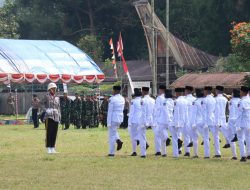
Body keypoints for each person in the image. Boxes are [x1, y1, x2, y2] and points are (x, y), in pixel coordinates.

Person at [107, 85, 125, 157]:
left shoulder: (112, 99)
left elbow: (110, 111)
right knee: (114, 131)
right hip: (120, 117)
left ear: (115, 90)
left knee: (111, 135)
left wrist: (108, 122)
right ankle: (118, 140)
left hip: (113, 117)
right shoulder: (122, 98)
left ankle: (111, 152)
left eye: (113, 90)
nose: (112, 91)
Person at [170, 88, 188, 158]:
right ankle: (179, 143)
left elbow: (176, 112)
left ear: (177, 93)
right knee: (178, 135)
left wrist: (176, 123)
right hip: (183, 120)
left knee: (174, 137)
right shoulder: (186, 101)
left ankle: (175, 154)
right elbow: (186, 112)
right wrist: (186, 121)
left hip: (176, 121)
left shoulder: (176, 101)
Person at [44, 82, 61, 154]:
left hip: (56, 116)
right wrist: (46, 109)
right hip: (49, 117)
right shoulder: (46, 96)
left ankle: (53, 147)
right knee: (49, 133)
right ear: (49, 89)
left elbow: (58, 107)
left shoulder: (57, 97)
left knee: (54, 133)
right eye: (53, 89)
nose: (54, 90)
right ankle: (48, 148)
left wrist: (60, 116)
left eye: (55, 88)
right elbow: (41, 104)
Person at [157, 89, 173, 157]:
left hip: (164, 120)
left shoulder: (164, 101)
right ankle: (164, 152)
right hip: (171, 119)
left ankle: (164, 152)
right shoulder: (172, 101)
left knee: (163, 137)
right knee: (173, 135)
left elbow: (165, 111)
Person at [236, 86, 250, 162]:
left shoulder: (241, 101)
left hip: (242, 123)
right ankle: (249, 154)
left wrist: (237, 125)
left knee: (241, 139)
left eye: (241, 91)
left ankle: (243, 156)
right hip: (249, 122)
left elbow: (239, 115)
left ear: (243, 92)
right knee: (248, 138)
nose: (240, 93)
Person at [227, 89, 241, 160]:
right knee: (242, 138)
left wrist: (229, 100)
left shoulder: (231, 101)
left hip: (232, 120)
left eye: (232, 93)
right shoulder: (240, 101)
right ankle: (246, 154)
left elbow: (229, 109)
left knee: (231, 138)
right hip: (239, 120)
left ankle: (234, 155)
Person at [202, 86, 216, 159]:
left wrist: (204, 122)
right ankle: (217, 153)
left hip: (207, 119)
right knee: (215, 136)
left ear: (206, 91)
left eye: (204, 91)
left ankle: (207, 154)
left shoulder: (205, 100)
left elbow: (204, 112)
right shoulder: (214, 99)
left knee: (206, 137)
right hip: (213, 118)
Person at [128, 88, 142, 157]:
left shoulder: (134, 101)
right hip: (141, 120)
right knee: (141, 134)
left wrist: (129, 122)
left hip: (135, 120)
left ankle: (134, 151)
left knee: (133, 136)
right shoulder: (143, 101)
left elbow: (132, 112)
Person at [190, 89, 204, 158]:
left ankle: (196, 154)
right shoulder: (205, 101)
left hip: (197, 121)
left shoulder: (195, 102)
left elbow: (194, 113)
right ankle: (207, 154)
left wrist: (193, 123)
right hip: (204, 120)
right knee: (206, 138)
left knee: (195, 138)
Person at [153, 85, 166, 156]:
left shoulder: (159, 98)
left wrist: (155, 117)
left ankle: (158, 150)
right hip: (166, 118)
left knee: (157, 135)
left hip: (159, 118)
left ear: (161, 90)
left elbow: (157, 109)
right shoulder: (167, 97)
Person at [184, 86, 196, 157]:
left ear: (186, 91)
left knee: (186, 135)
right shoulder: (195, 99)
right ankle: (195, 152)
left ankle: (187, 151)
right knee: (194, 136)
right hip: (193, 119)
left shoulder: (185, 99)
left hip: (186, 119)